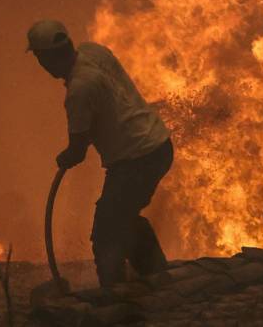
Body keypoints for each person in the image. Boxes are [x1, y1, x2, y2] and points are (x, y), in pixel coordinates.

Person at [27, 19, 173, 287]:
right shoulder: (93, 51)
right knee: (123, 217)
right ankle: (156, 276)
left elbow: (77, 151)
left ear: (45, 59)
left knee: (107, 231)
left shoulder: (79, 91)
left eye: (38, 57)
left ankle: (114, 291)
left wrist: (66, 156)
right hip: (158, 146)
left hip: (137, 159)